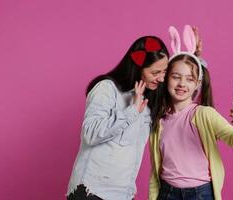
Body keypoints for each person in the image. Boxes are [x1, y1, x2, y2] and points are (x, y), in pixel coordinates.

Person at [148, 25, 233, 200]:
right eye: (176, 76)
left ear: (197, 84)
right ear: (165, 77)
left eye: (189, 79)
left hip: (200, 194)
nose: (182, 84)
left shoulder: (204, 114)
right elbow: (155, 171)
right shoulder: (157, 117)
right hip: (166, 192)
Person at [67, 36, 169, 200]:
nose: (162, 78)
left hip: (123, 194)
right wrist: (132, 111)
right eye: (156, 72)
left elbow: (182, 90)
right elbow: (90, 134)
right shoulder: (107, 89)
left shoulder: (148, 99)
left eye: (164, 71)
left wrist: (195, 58)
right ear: (138, 67)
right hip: (92, 192)